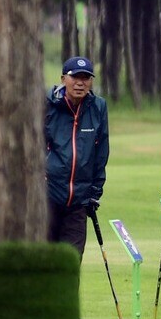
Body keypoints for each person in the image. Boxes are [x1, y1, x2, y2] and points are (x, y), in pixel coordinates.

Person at [45, 56, 109, 259]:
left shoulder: (97, 107)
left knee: (72, 260)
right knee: (44, 258)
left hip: (79, 201)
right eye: (75, 77)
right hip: (48, 197)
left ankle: (66, 293)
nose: (80, 83)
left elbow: (101, 152)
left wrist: (95, 191)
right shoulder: (47, 106)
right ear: (63, 78)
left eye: (86, 78)